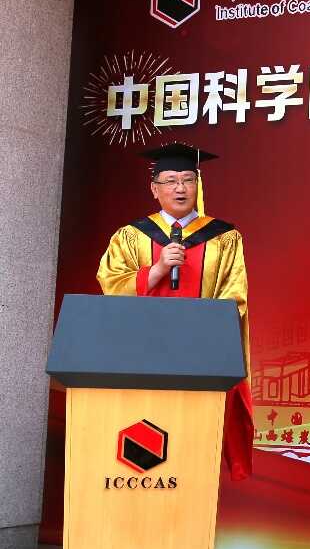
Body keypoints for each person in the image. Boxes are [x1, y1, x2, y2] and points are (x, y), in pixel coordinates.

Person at [95, 142, 253, 480]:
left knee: (191, 444)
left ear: (198, 185)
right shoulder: (130, 237)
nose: (180, 188)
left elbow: (234, 298)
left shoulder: (225, 238)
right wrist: (156, 271)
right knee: (145, 436)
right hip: (143, 357)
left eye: (187, 180)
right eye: (170, 180)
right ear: (154, 189)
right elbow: (111, 284)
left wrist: (199, 336)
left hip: (200, 360)